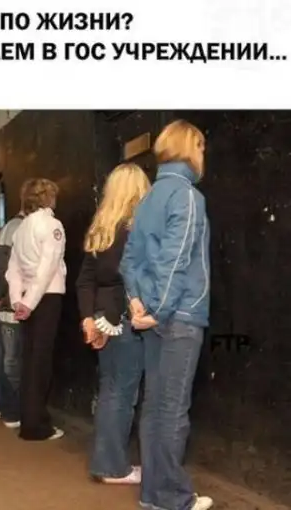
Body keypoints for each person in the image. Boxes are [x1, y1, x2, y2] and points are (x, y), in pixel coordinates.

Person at [120, 120, 212, 510]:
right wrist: (157, 309)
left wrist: (137, 303)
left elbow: (129, 261)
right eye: (200, 146)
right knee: (172, 410)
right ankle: (173, 498)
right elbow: (175, 261)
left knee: (155, 407)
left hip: (153, 316)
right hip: (179, 315)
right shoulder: (188, 197)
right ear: (189, 148)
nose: (203, 154)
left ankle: (153, 494)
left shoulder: (148, 199)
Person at [76, 163, 150, 484]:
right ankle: (112, 467)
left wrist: (89, 319)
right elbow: (130, 280)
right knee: (122, 394)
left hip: (103, 318)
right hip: (126, 319)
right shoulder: (136, 230)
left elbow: (85, 281)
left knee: (110, 390)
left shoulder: (101, 231)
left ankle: (106, 462)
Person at [6, 178, 66, 441]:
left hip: (27, 300)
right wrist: (30, 304)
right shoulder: (52, 225)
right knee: (41, 363)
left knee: (29, 361)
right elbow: (47, 268)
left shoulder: (21, 229)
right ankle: (36, 426)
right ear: (47, 197)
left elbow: (13, 270)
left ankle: (29, 419)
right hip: (47, 298)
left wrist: (18, 301)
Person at [0, 191, 27, 428]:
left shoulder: (7, 228)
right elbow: (2, 268)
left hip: (3, 305)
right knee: (11, 361)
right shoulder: (19, 228)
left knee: (0, 358)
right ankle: (11, 411)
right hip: (11, 306)